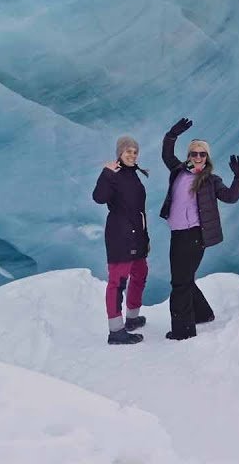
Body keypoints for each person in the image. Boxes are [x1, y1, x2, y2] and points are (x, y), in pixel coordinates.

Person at [159, 118, 239, 341]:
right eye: (194, 153)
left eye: (202, 154)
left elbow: (230, 197)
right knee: (183, 278)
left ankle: (183, 330)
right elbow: (167, 156)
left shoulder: (210, 180)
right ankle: (203, 314)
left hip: (195, 236)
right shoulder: (178, 171)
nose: (198, 157)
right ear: (188, 156)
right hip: (177, 233)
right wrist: (171, 135)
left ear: (207, 158)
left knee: (180, 282)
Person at [92, 135, 151, 345]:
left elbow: (139, 210)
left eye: (135, 152)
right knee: (117, 281)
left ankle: (132, 318)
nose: (132, 155)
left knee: (140, 272)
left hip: (137, 235)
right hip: (120, 236)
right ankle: (116, 331)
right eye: (128, 151)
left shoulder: (133, 174)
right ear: (119, 153)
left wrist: (145, 237)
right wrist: (107, 173)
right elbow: (98, 197)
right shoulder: (114, 174)